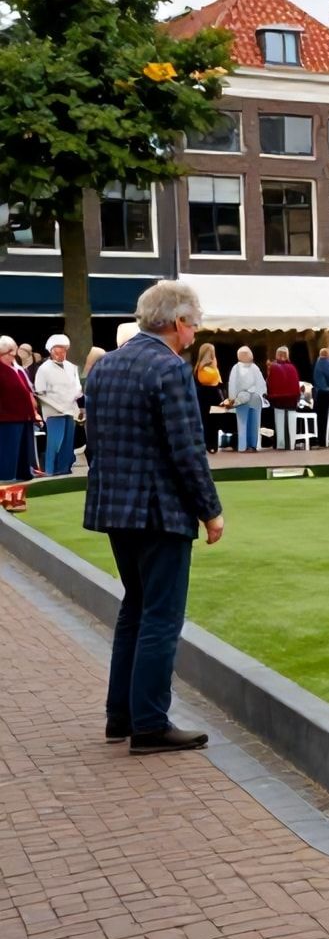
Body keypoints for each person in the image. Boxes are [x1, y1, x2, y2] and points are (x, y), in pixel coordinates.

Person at [84, 280, 223, 755]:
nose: (195, 332)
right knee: (161, 616)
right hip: (159, 509)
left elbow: (96, 443)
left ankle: (120, 716)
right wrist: (210, 510)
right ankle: (148, 723)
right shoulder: (170, 368)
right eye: (194, 324)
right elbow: (187, 450)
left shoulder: (105, 365)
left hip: (114, 506)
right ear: (179, 322)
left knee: (135, 608)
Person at [34, 334, 82, 476]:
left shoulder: (71, 367)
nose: (61, 355)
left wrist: (75, 396)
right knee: (55, 443)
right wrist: (57, 405)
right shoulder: (44, 369)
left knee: (68, 442)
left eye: (63, 352)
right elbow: (40, 392)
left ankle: (65, 469)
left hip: (70, 409)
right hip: (54, 412)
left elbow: (77, 386)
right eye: (57, 352)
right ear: (51, 352)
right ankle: (50, 470)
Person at [0, 338, 38, 482]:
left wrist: (33, 411)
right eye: (10, 354)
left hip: (24, 416)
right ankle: (6, 479)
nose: (13, 357)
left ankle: (23, 474)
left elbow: (27, 391)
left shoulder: (17, 369)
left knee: (24, 450)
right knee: (8, 450)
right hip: (7, 418)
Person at [226, 346, 266, 453]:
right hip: (253, 397)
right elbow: (261, 384)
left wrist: (232, 399)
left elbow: (232, 385)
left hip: (242, 398)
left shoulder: (236, 368)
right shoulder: (254, 368)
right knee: (254, 422)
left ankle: (244, 446)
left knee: (243, 422)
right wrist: (261, 394)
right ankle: (252, 445)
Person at [192, 343, 227, 453]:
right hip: (209, 397)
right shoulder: (204, 369)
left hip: (207, 397)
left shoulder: (200, 368)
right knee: (210, 422)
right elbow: (212, 381)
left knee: (211, 421)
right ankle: (210, 444)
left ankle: (211, 444)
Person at [266, 346, 302, 450]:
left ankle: (280, 444)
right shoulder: (292, 368)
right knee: (291, 422)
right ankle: (291, 444)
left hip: (278, 400)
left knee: (279, 422)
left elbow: (270, 383)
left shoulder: (273, 367)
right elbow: (296, 386)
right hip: (291, 400)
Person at [311, 347, 329, 448]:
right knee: (326, 417)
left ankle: (320, 440)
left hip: (319, 393)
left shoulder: (317, 364)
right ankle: (325, 440)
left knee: (320, 417)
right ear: (328, 355)